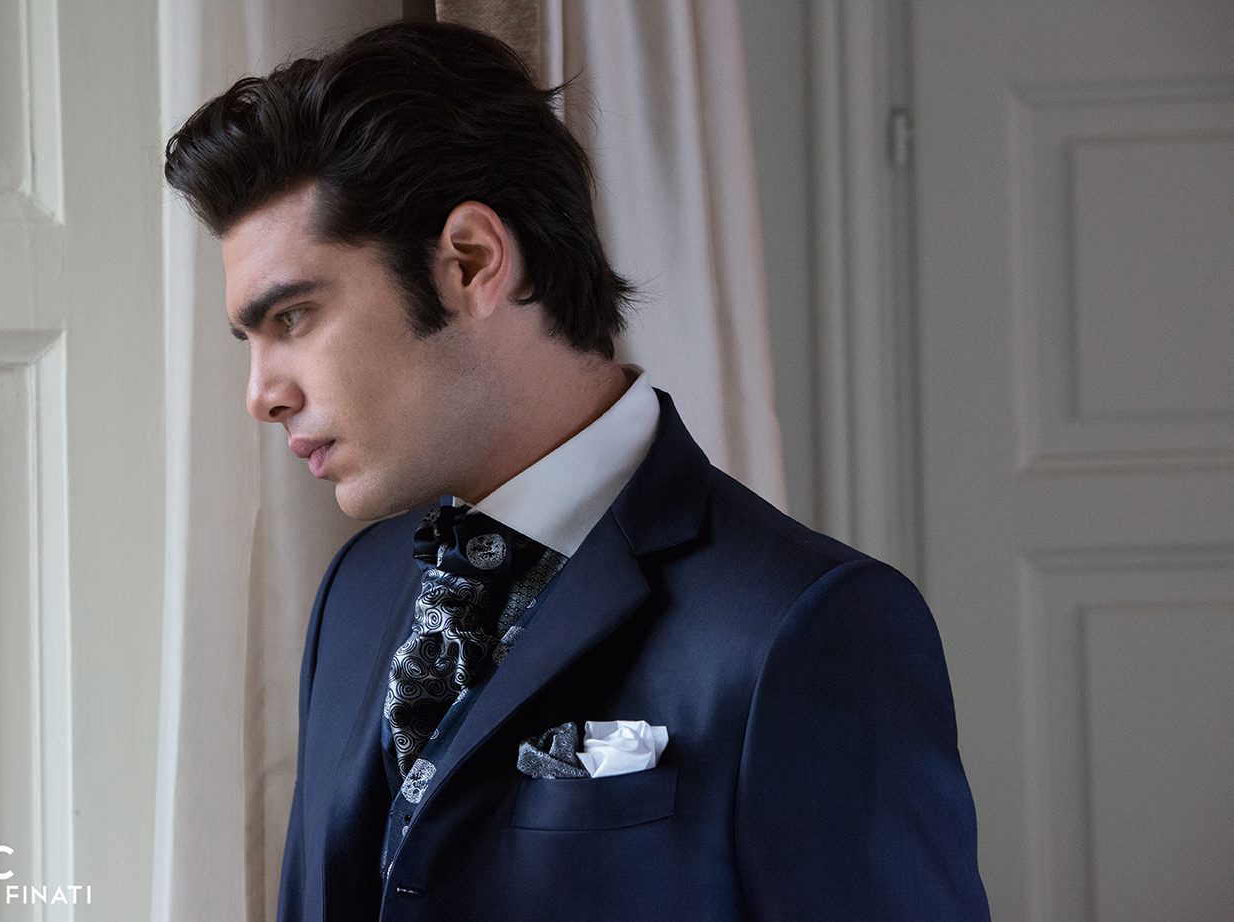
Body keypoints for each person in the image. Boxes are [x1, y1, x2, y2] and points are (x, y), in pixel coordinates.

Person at [165, 20, 990, 922]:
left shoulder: (809, 628)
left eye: (292, 318)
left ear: (470, 261)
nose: (262, 395)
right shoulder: (354, 593)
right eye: (249, 340)